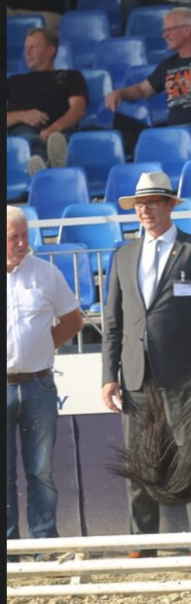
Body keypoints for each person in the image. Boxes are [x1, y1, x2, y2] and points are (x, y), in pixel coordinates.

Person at [101, 171, 191, 557]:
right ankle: (143, 542)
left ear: (170, 205)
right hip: (136, 375)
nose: (145, 209)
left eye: (153, 202)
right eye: (140, 203)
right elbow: (112, 322)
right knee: (139, 461)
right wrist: (109, 376)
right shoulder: (122, 255)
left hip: (186, 376)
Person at [7, 206, 84, 558]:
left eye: (24, 235)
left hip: (39, 385)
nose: (23, 243)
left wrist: (40, 348)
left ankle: (44, 545)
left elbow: (73, 320)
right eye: (14, 237)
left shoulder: (47, 273)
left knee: (41, 472)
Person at [104, 7, 191, 158]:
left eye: (169, 30)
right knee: (143, 148)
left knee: (190, 145)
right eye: (164, 31)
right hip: (174, 132)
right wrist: (120, 93)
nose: (164, 36)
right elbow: (143, 90)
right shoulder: (168, 64)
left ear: (186, 30)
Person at [6, 28, 87, 175]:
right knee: (26, 140)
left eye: (33, 47)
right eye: (26, 48)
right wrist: (22, 116)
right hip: (23, 134)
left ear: (50, 51)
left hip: (59, 132)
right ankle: (51, 168)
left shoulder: (70, 77)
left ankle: (43, 173)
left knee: (58, 141)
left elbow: (78, 109)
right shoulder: (13, 81)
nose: (27, 53)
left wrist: (55, 128)